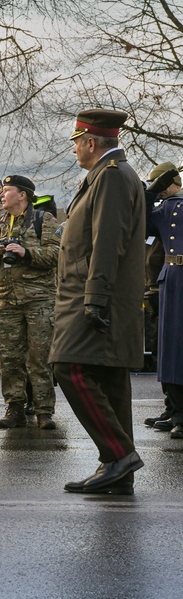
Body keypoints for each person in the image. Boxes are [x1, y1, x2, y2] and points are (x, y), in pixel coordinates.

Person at [49, 108, 145, 495]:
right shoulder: (107, 176)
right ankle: (117, 467)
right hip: (92, 293)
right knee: (108, 378)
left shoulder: (112, 177)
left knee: (67, 366)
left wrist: (95, 299)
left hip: (92, 295)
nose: (74, 150)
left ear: (91, 142)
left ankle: (119, 454)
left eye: (76, 143)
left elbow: (108, 241)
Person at [0, 174, 60, 430]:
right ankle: (15, 408)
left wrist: (26, 252)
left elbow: (57, 253)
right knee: (9, 358)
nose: (2, 194)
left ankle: (44, 411)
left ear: (23, 195)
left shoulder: (43, 220)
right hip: (7, 300)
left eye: (7, 190)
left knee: (39, 358)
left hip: (39, 300)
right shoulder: (0, 223)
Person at [144, 163, 183, 439]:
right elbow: (140, 220)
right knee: (168, 345)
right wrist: (149, 193)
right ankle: (174, 408)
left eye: (159, 183)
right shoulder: (164, 209)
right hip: (171, 279)